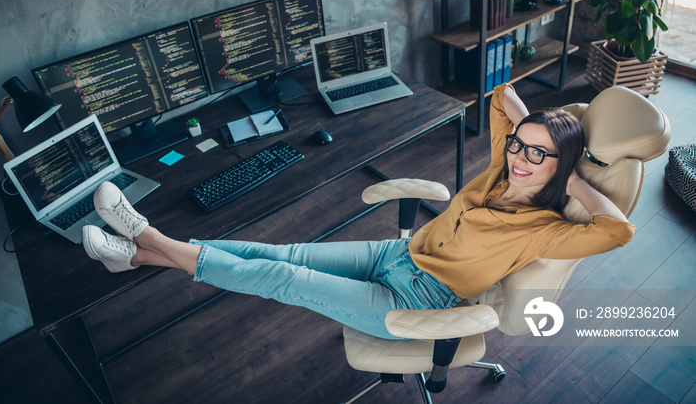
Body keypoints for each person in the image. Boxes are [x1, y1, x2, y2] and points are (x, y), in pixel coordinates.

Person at [81, 83, 635, 340]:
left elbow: (619, 231)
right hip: (397, 254)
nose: (521, 159)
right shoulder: (501, 166)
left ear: (558, 167)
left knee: (280, 276)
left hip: (415, 299)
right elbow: (501, 95)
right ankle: (132, 258)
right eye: (519, 145)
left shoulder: (546, 231)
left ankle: (147, 233)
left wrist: (575, 169)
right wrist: (540, 132)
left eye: (539, 156)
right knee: (276, 253)